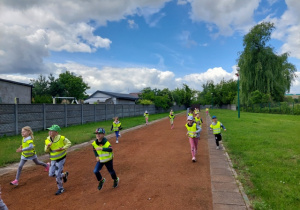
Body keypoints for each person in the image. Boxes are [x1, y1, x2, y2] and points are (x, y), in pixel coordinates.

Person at [45, 125, 71, 195]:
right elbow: (46, 151)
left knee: (57, 174)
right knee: (51, 174)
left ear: (56, 132)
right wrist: (48, 146)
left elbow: (69, 143)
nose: (49, 132)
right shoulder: (47, 140)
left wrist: (62, 148)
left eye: (51, 131)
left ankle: (61, 188)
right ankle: (64, 175)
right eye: (49, 131)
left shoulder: (62, 138)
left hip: (61, 158)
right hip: (53, 159)